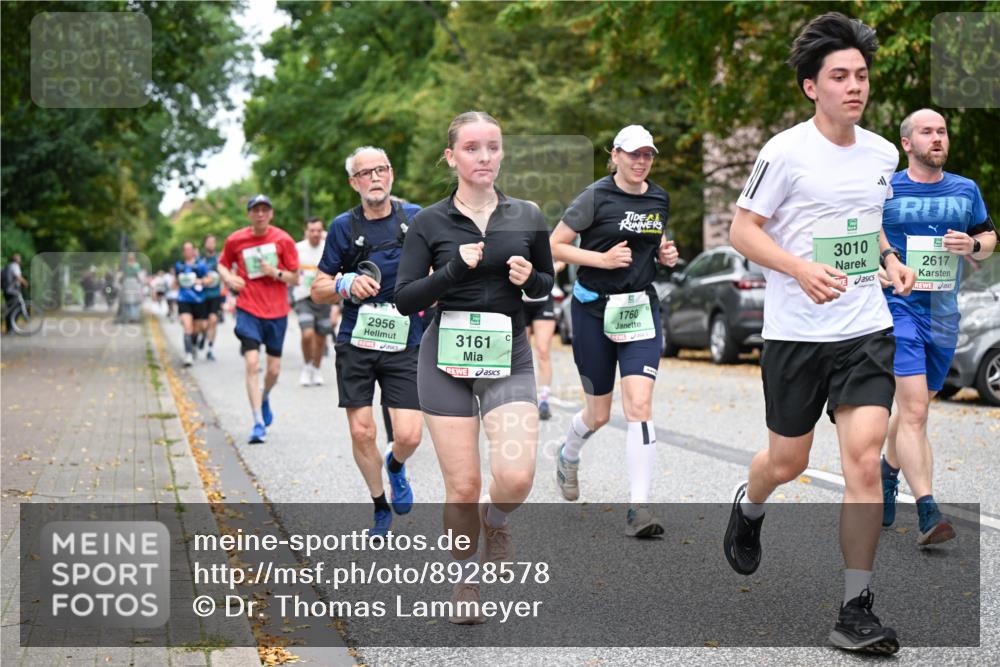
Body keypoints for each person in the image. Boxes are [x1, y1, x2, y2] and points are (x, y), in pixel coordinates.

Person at [723, 12, 916, 654]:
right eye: (839, 75)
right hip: (796, 334)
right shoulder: (784, 152)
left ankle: (854, 607)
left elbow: (871, 222)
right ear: (812, 86)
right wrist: (799, 267)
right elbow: (742, 231)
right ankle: (750, 505)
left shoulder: (883, 151)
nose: (854, 86)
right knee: (789, 460)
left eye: (861, 74)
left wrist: (889, 260)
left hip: (865, 327)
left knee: (863, 459)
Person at [395, 112, 555, 624]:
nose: (484, 157)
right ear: (452, 157)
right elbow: (404, 299)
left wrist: (530, 278)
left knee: (516, 476)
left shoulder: (527, 215)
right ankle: (465, 579)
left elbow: (545, 286)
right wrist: (453, 269)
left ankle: (498, 519)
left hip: (507, 351)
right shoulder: (429, 222)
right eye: (471, 148)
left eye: (492, 147)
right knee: (462, 486)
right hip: (446, 356)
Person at [550, 124, 679, 537]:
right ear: (615, 156)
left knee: (639, 405)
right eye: (633, 154)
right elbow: (555, 245)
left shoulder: (659, 198)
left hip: (639, 309)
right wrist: (599, 260)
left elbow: (653, 244)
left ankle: (639, 508)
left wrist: (666, 252)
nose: (641, 162)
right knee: (599, 413)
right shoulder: (594, 196)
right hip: (592, 311)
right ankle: (568, 453)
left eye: (647, 155)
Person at [880, 108, 996, 545]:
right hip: (900, 309)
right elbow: (868, 235)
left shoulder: (966, 189)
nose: (937, 138)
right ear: (907, 143)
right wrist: (882, 265)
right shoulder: (886, 188)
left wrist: (974, 244)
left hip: (945, 314)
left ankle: (888, 469)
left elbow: (988, 238)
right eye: (927, 132)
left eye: (942, 131)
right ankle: (929, 510)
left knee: (916, 407)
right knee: (915, 412)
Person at [311, 147, 424, 538]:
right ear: (354, 182)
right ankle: (379, 506)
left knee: (408, 434)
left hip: (405, 335)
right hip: (357, 337)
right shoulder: (344, 226)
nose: (374, 178)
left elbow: (441, 268)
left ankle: (395, 466)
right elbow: (318, 288)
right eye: (365, 173)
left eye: (380, 170)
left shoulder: (416, 218)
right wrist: (346, 283)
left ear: (391, 174)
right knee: (362, 432)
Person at [217, 194, 300, 444]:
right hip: (248, 309)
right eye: (256, 210)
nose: (260, 214)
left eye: (265, 209)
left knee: (273, 370)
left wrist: (273, 272)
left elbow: (295, 278)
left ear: (271, 214)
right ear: (249, 214)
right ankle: (257, 422)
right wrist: (228, 278)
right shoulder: (236, 239)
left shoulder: (283, 240)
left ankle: (264, 397)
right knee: (252, 363)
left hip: (277, 311)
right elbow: (221, 264)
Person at [522, 260, 566, 420]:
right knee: (520, 354)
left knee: (543, 352)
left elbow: (562, 258)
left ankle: (544, 400)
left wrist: (554, 267)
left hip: (543, 302)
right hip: (520, 302)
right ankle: (523, 398)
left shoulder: (543, 237)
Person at [294, 218, 334, 386]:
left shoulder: (328, 248)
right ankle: (306, 365)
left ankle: (316, 368)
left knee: (321, 337)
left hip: (324, 298)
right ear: (306, 231)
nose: (315, 233)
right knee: (307, 334)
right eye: (312, 230)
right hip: (304, 296)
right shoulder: (298, 248)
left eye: (319, 230)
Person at [174, 241, 209, 367]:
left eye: (190, 249)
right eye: (185, 249)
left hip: (199, 300)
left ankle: (193, 344)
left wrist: (200, 281)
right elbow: (175, 281)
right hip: (184, 299)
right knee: (187, 326)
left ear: (194, 250)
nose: (188, 251)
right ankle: (188, 355)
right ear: (183, 252)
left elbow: (209, 279)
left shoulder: (201, 265)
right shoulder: (179, 266)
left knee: (198, 328)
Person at [201, 234, 225, 361]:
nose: (211, 244)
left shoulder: (219, 259)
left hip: (216, 295)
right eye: (209, 242)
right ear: (205, 244)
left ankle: (210, 348)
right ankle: (203, 336)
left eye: (213, 242)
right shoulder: (200, 260)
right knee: (204, 325)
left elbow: (225, 275)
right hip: (202, 296)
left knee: (214, 320)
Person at [2, 253, 28, 334]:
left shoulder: (8, 266)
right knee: (15, 309)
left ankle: (10, 328)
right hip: (13, 291)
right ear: (17, 260)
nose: (20, 260)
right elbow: (17, 276)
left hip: (7, 290)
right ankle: (11, 329)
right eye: (19, 259)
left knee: (10, 309)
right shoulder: (15, 266)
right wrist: (25, 283)